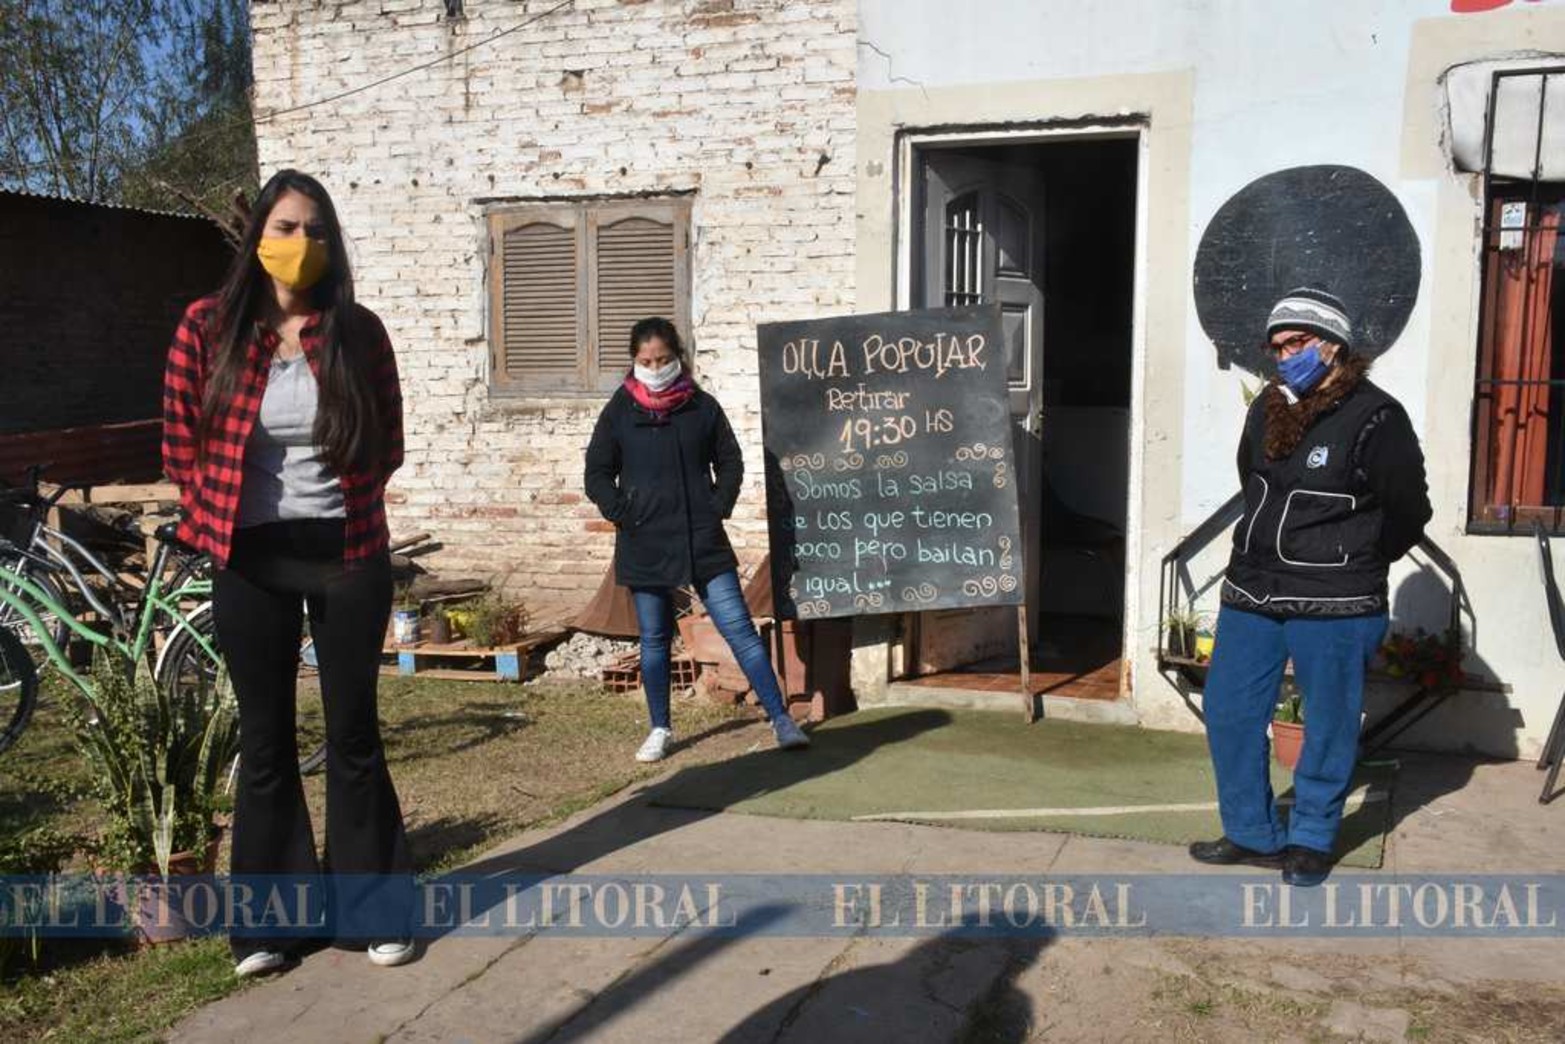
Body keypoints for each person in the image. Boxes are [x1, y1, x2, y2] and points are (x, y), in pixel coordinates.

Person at [163, 169, 415, 976]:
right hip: (248, 556)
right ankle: (270, 928)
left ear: (330, 243)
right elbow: (177, 443)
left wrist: (338, 507)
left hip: (345, 551)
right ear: (256, 237)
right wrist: (218, 514)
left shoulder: (357, 331)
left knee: (352, 736)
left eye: (314, 230)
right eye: (284, 226)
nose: (299, 243)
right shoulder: (207, 328)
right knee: (266, 740)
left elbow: (388, 442)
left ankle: (373, 916)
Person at [1190, 287, 1432, 887]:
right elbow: (1251, 476)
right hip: (1253, 588)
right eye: (1276, 346)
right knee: (1228, 710)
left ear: (1333, 345)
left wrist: (1354, 556)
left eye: (1296, 342)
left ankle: (1312, 838)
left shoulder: (1378, 417)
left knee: (1327, 721)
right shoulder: (1268, 407)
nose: (1283, 355)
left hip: (1337, 599)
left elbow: (1409, 509)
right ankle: (1251, 832)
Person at [585, 317, 811, 761]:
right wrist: (621, 511)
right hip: (644, 540)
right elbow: (596, 473)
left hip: (702, 538)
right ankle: (659, 728)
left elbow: (731, 461)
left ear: (679, 358)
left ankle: (781, 720)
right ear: (634, 361)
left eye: (663, 359)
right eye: (646, 360)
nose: (654, 367)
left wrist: (716, 504)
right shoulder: (619, 411)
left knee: (740, 632)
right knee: (653, 639)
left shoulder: (702, 407)